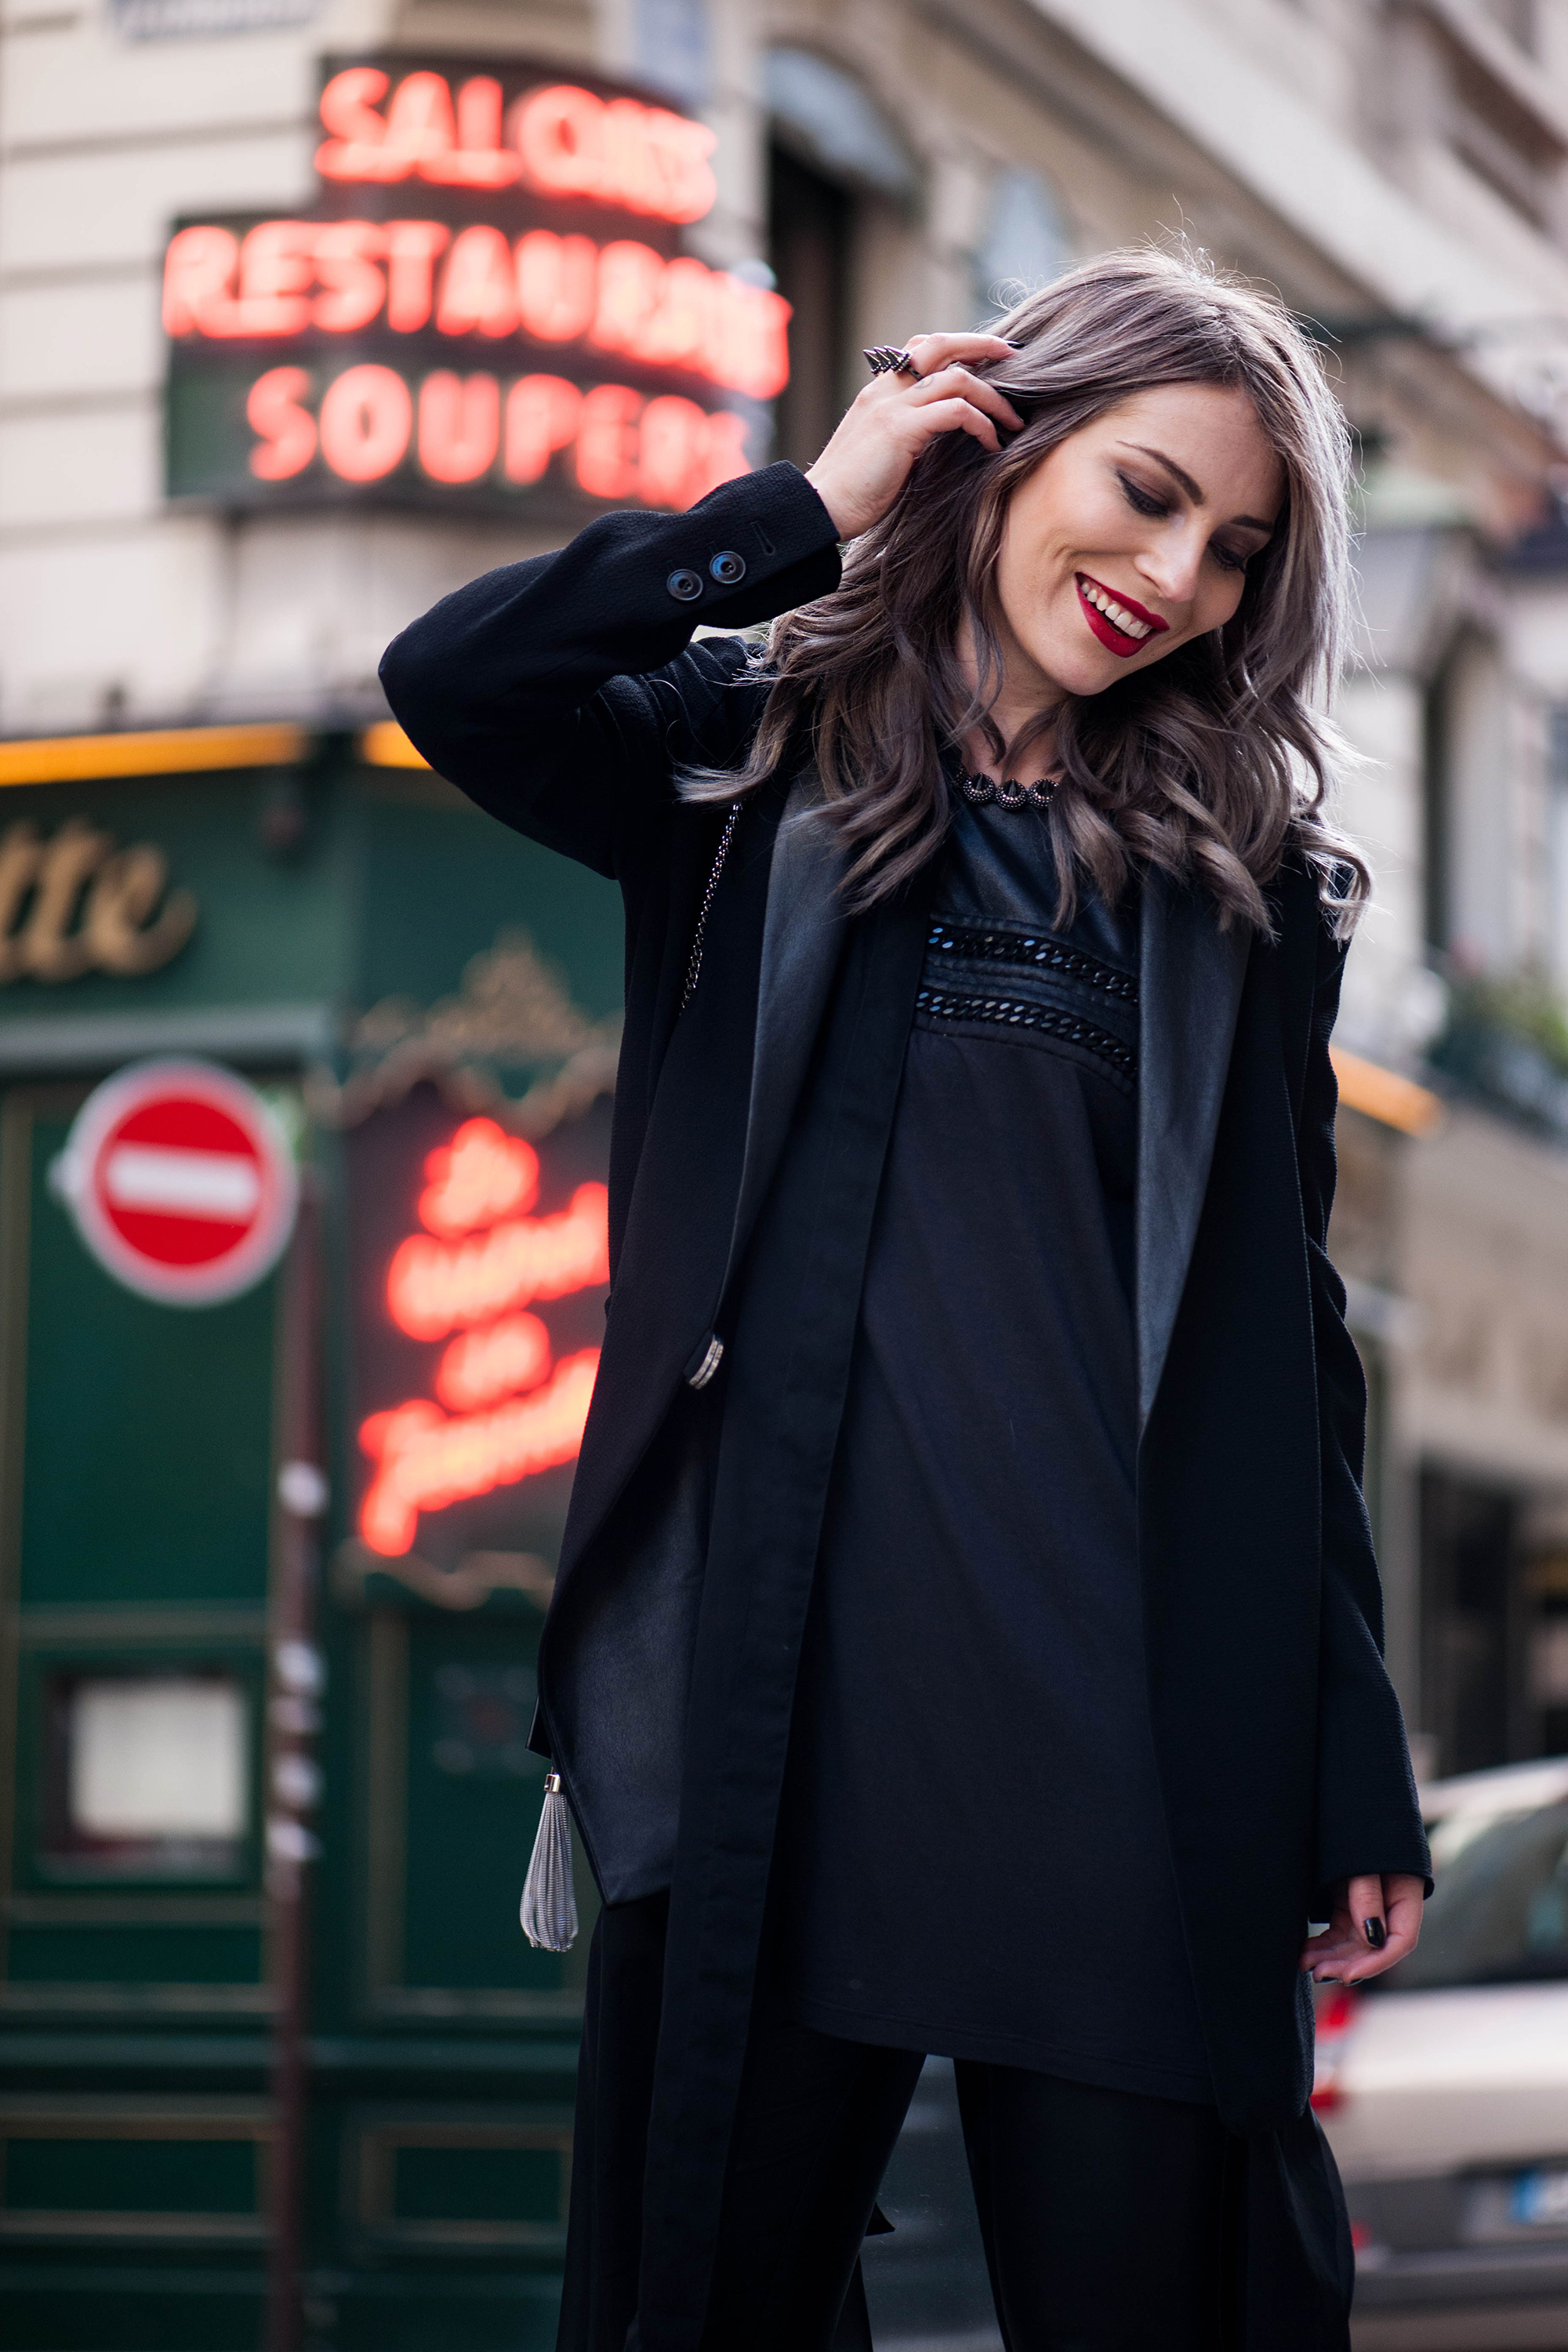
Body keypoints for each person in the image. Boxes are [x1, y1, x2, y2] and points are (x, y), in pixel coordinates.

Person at [379, 247, 1432, 2352]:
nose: (1175, 577)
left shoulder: (1241, 893)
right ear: (1002, 439)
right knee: (715, 2299)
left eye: (1233, 552)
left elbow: (1279, 1350)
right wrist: (804, 512)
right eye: (1141, 492)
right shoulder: (739, 773)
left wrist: (1350, 1757)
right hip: (785, 1727)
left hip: (1128, 1741)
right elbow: (458, 678)